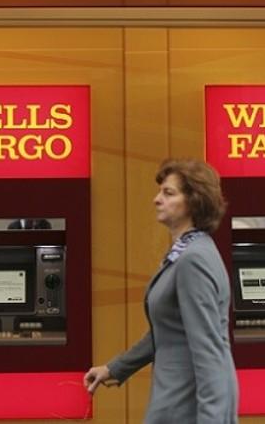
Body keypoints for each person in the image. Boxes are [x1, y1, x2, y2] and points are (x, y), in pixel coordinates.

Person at [84, 158, 239, 423]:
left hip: (185, 406)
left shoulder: (193, 260)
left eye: (168, 193)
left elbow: (209, 351)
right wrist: (115, 368)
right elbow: (168, 329)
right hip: (177, 402)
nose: (157, 200)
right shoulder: (188, 252)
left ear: (193, 201)